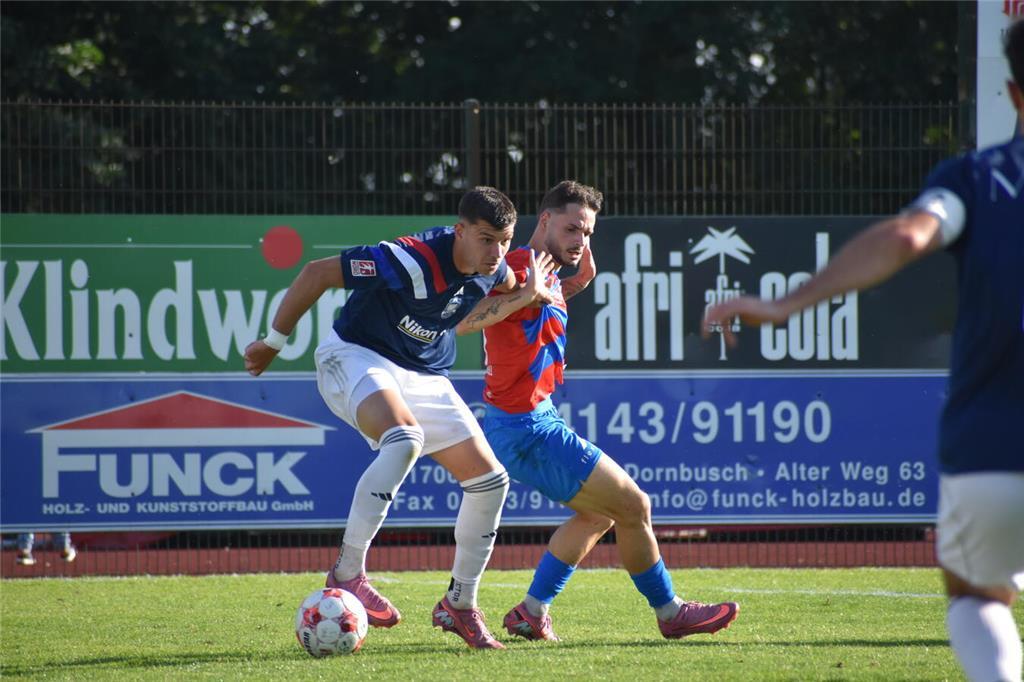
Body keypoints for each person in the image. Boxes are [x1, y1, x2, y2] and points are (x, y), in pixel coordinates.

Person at [703, 21, 1024, 682]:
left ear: (1015, 94)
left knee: (975, 595)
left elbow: (907, 236)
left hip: (996, 444)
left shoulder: (978, 179)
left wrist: (784, 304)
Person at [245, 186, 553, 650]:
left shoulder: (498, 269)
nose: (497, 252)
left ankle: (460, 604)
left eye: (505, 240)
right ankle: (347, 573)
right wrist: (273, 341)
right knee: (405, 437)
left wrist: (531, 294)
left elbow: (504, 288)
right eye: (486, 239)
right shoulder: (410, 258)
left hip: (423, 374)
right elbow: (316, 273)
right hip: (355, 355)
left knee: (492, 481)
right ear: (461, 230)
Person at [457, 180, 739, 642]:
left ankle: (531, 610)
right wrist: (529, 293)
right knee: (635, 505)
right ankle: (670, 613)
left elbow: (530, 312)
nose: (580, 241)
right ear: (544, 220)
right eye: (572, 229)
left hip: (534, 419)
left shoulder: (543, 273)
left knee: (600, 515)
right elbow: (465, 320)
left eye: (587, 234)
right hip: (525, 427)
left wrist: (573, 284)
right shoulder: (515, 267)